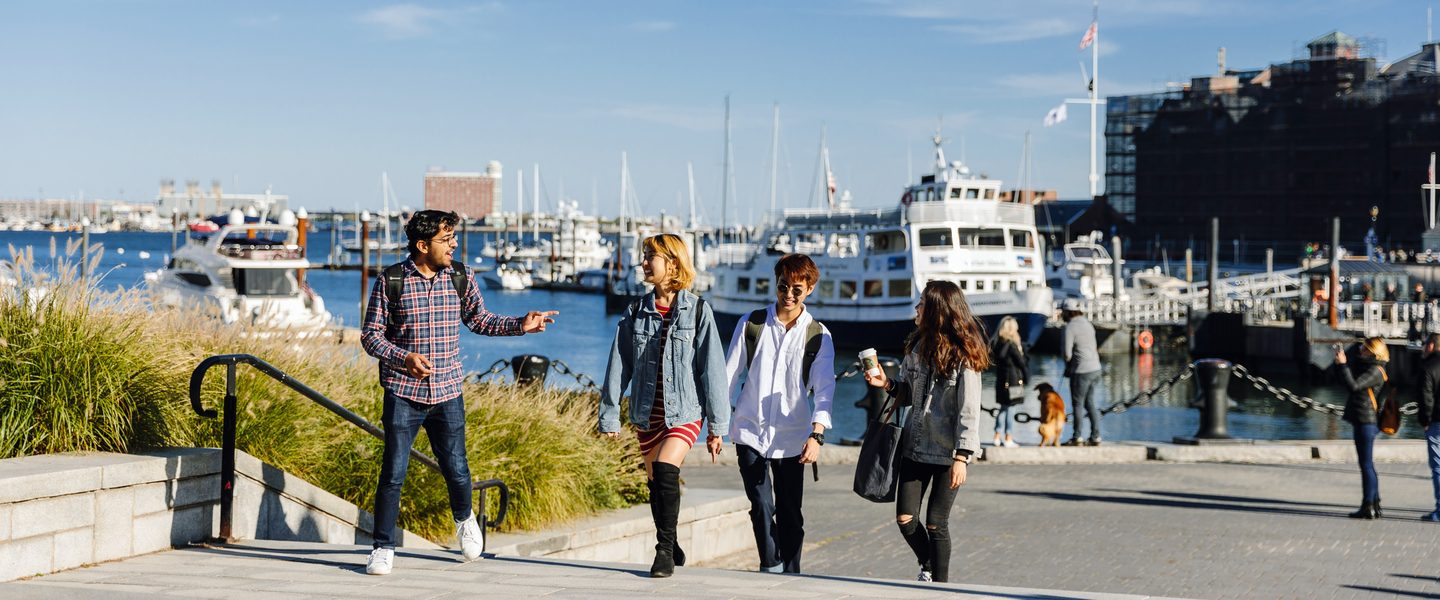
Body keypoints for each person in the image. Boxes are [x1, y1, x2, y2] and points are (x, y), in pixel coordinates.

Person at [359, 210, 558, 576]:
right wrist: (404, 359)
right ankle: (382, 547)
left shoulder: (461, 277)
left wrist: (520, 325)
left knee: (458, 469)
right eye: (445, 238)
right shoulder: (391, 280)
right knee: (393, 473)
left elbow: (479, 319)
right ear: (422, 245)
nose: (453, 244)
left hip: (448, 391)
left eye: (453, 237)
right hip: (403, 392)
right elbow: (371, 336)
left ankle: (464, 518)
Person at [599, 233, 730, 578]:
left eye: (650, 257)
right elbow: (618, 366)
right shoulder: (634, 311)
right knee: (656, 482)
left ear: (672, 264)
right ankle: (671, 540)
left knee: (667, 469)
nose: (643, 262)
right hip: (646, 412)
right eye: (644, 256)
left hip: (684, 411)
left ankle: (663, 551)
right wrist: (610, 415)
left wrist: (717, 427)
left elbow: (711, 370)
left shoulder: (699, 310)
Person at [863, 280, 984, 583]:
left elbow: (969, 408)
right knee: (905, 519)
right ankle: (929, 563)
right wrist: (886, 383)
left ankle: (941, 588)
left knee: (936, 524)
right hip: (915, 447)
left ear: (937, 310)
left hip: (947, 451)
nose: (916, 308)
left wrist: (963, 456)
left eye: (921, 304)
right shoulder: (916, 347)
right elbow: (907, 391)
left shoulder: (964, 355)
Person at [723, 253, 835, 574]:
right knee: (760, 504)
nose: (788, 294)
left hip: (793, 436)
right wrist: (716, 425)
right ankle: (769, 564)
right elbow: (729, 376)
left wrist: (817, 434)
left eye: (796, 289)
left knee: (789, 511)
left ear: (809, 289)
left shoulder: (818, 335)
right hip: (749, 429)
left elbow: (825, 388)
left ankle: (792, 570)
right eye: (783, 286)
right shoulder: (752, 323)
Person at [1334, 337, 1390, 520]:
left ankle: (1368, 505)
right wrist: (1343, 364)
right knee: (1367, 464)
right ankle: (1375, 503)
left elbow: (1354, 385)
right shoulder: (1368, 366)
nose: (1360, 350)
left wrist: (1343, 366)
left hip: (1366, 421)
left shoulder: (1375, 370)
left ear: (1373, 352)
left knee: (1366, 465)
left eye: (1365, 349)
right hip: (1363, 419)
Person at [1061, 299, 1103, 446]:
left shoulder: (1070, 327)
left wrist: (1067, 366)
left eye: (1063, 312)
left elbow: (1067, 353)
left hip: (1081, 370)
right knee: (1090, 403)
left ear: (1067, 312)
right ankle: (1095, 436)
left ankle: (1077, 436)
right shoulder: (1088, 324)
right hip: (1096, 368)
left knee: (1077, 404)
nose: (1061, 314)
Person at [989, 315, 1028, 447]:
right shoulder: (1012, 345)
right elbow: (1021, 362)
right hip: (1014, 381)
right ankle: (1008, 437)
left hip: (1001, 381)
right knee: (1011, 409)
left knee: (1003, 408)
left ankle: (996, 436)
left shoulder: (997, 343)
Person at [1419, 333, 1440, 522]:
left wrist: (1425, 420)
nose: (1423, 347)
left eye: (1425, 344)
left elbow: (1427, 398)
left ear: (1432, 346)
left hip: (1437, 421)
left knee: (1438, 466)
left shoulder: (1428, 368)